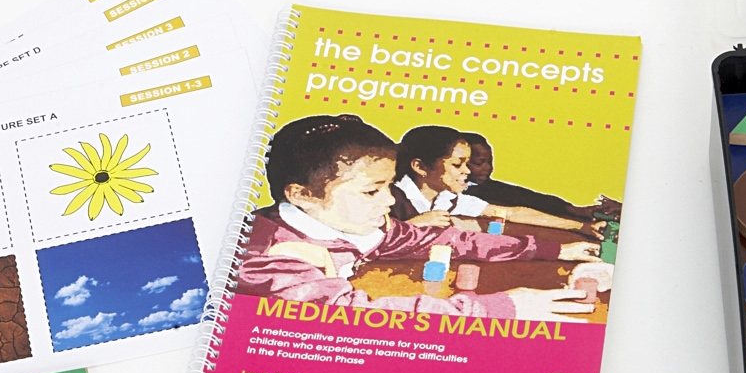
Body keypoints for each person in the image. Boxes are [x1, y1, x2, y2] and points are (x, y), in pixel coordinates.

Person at [234, 114, 597, 320]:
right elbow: (355, 317)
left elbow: (447, 239)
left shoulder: (362, 225)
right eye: (371, 191)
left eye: (388, 185)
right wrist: (506, 306)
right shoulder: (268, 259)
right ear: (302, 195)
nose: (389, 200)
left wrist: (553, 250)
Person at [389, 125, 592, 233]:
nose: (466, 171)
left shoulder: (447, 199)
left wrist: (581, 226)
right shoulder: (389, 197)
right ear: (420, 167)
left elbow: (513, 213)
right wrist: (412, 226)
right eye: (457, 164)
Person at [458, 131, 609, 221]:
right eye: (479, 162)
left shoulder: (487, 188)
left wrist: (571, 209)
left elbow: (529, 197)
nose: (488, 168)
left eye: (490, 162)